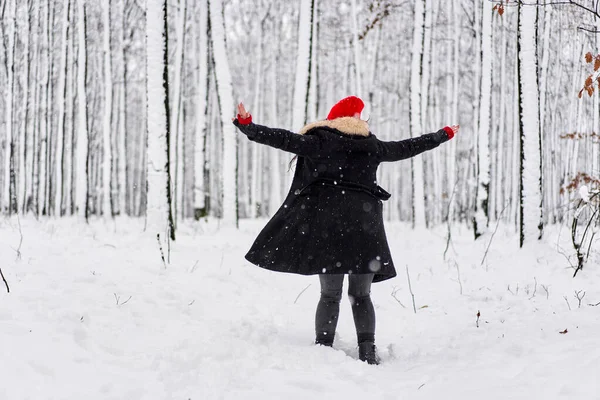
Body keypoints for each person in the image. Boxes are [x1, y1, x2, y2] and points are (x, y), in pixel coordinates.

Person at [233, 96, 459, 365]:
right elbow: (407, 147)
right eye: (363, 115)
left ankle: (324, 349)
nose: (366, 119)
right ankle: (367, 351)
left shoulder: (319, 142)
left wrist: (248, 125)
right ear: (353, 118)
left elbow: (282, 139)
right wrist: (441, 135)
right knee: (361, 294)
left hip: (327, 228)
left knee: (330, 294)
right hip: (365, 228)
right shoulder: (372, 146)